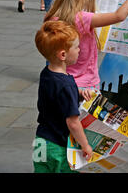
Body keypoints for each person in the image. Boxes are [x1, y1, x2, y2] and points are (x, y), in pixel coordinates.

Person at [44, 0, 128, 91]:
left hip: (60, 81)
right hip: (86, 85)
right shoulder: (82, 18)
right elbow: (119, 16)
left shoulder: (51, 16)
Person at [33, 20, 93, 173]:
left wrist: (79, 94)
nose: (79, 50)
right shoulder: (65, 84)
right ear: (63, 54)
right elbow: (73, 123)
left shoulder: (46, 73)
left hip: (41, 142)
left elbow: (55, 96)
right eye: (76, 47)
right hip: (58, 146)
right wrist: (85, 145)